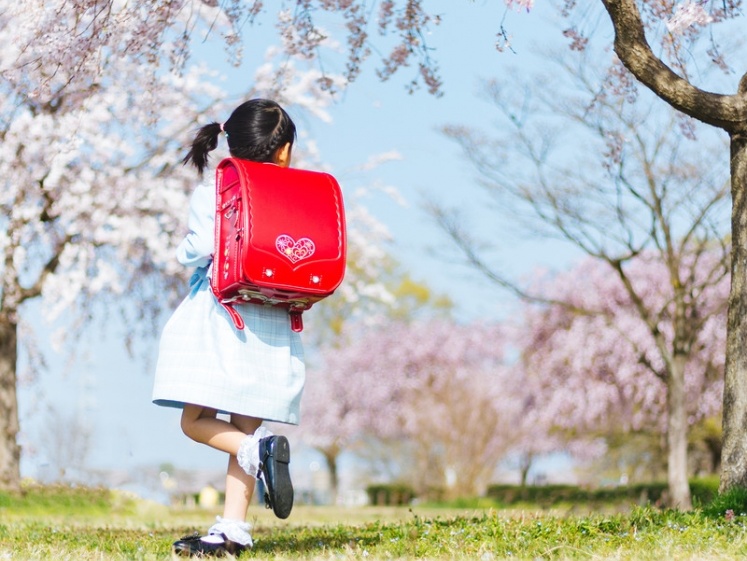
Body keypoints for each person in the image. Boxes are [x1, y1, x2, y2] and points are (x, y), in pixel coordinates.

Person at [152, 99, 304, 557]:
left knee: (194, 420)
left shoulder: (217, 189)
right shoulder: (294, 190)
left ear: (232, 145)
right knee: (247, 427)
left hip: (224, 315)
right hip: (274, 318)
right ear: (284, 150)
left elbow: (198, 248)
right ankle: (233, 529)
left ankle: (255, 455)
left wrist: (185, 252)